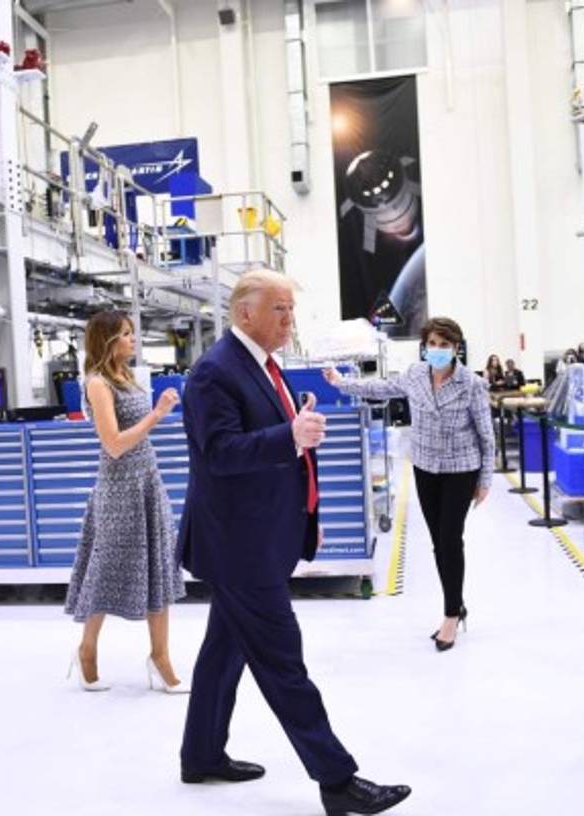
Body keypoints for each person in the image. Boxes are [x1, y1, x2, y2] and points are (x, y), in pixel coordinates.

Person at [178, 270, 411, 815]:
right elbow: (220, 453)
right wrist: (290, 434)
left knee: (223, 652)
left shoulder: (262, 364)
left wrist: (307, 511)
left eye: (290, 309)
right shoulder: (214, 373)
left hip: (260, 534)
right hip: (239, 547)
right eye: (279, 310)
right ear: (245, 314)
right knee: (284, 661)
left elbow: (282, 456)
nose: (289, 320)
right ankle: (337, 780)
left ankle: (201, 753)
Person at [325, 317, 497, 652]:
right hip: (425, 467)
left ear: (456, 348)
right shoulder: (416, 375)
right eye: (432, 344)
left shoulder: (471, 384)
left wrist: (485, 481)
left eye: (444, 345)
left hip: (460, 469)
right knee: (438, 543)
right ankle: (456, 603)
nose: (437, 350)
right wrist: (341, 382)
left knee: (450, 539)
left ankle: (450, 615)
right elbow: (380, 389)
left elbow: (486, 437)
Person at [64, 310, 188, 694]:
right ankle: (87, 650)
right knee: (106, 569)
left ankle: (160, 656)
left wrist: (155, 414)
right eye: (125, 334)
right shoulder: (97, 383)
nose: (133, 340)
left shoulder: (127, 377)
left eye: (133, 333)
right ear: (107, 341)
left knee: (159, 567)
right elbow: (114, 445)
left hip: (148, 482)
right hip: (119, 491)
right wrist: (158, 414)